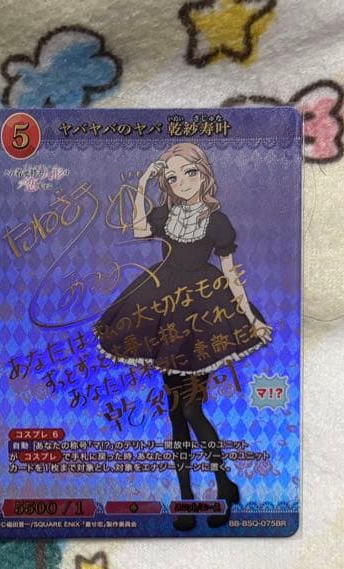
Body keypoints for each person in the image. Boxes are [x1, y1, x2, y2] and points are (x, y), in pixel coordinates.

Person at [95, 143, 272, 531]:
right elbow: (139, 229)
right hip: (163, 304)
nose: (182, 182)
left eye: (189, 172)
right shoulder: (165, 214)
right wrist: (142, 182)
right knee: (176, 411)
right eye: (172, 177)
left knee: (191, 409)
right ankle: (187, 498)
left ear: (203, 174)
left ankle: (224, 485)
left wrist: (250, 319)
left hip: (203, 309)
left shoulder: (217, 221)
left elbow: (230, 273)